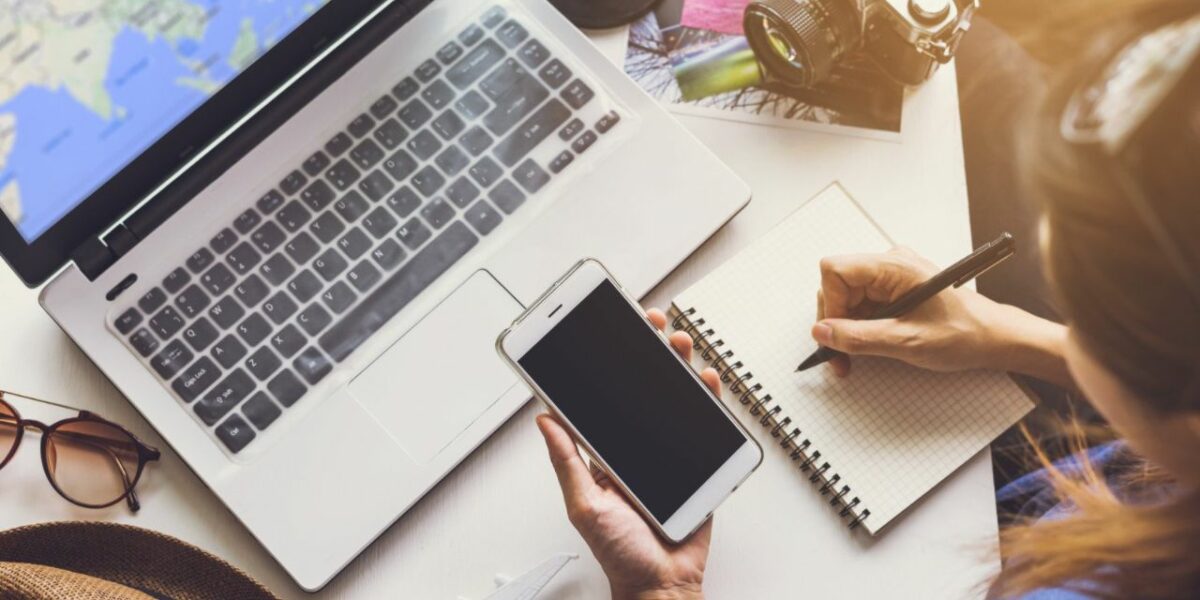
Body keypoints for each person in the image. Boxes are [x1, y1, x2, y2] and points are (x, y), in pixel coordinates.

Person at [533, 1, 1200, 598]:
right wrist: (1004, 332)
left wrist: (662, 590)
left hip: (1034, 506)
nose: (1045, 246)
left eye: (1079, 309)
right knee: (983, 51)